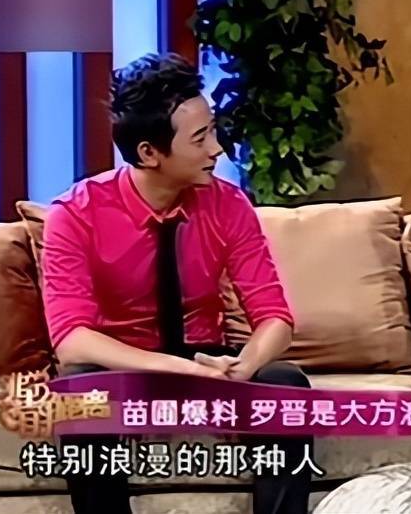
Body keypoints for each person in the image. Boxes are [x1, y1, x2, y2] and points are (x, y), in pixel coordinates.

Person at [41, 52, 311, 514]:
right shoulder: (75, 214)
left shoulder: (228, 204)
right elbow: (71, 341)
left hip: (204, 355)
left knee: (285, 383)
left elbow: (275, 317)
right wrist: (172, 369)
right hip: (122, 363)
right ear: (149, 153)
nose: (217, 149)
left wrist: (244, 366)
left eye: (213, 131)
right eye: (200, 138)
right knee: (80, 392)